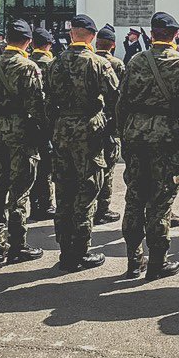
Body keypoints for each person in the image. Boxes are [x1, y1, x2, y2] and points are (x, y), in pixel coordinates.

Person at [117, 11, 179, 280]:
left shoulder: (136, 61)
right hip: (165, 136)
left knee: (134, 198)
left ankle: (133, 260)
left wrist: (124, 135)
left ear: (152, 34)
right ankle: (157, 261)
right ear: (174, 35)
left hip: (135, 134)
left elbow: (122, 103)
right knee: (161, 201)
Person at [46, 14, 121, 270]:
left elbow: (48, 102)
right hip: (89, 129)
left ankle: (65, 250)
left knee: (64, 191)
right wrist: (111, 129)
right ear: (92, 36)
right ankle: (80, 251)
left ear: (71, 35)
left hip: (62, 129)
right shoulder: (99, 64)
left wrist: (55, 127)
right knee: (87, 190)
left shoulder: (54, 63)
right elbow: (115, 99)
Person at [0, 19, 47, 265]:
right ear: (27, 41)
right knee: (20, 190)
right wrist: (43, 135)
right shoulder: (28, 67)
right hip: (21, 132)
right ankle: (18, 245)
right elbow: (37, 106)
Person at [93, 23, 126, 225]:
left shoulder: (91, 60)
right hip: (109, 123)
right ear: (113, 45)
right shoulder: (116, 64)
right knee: (108, 167)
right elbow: (120, 97)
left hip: (90, 120)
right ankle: (102, 208)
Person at [28, 27, 56, 221]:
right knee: (45, 164)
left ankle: (33, 203)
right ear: (48, 45)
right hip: (46, 122)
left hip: (24, 122)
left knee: (28, 165)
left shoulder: (26, 63)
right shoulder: (51, 64)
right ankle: (44, 204)